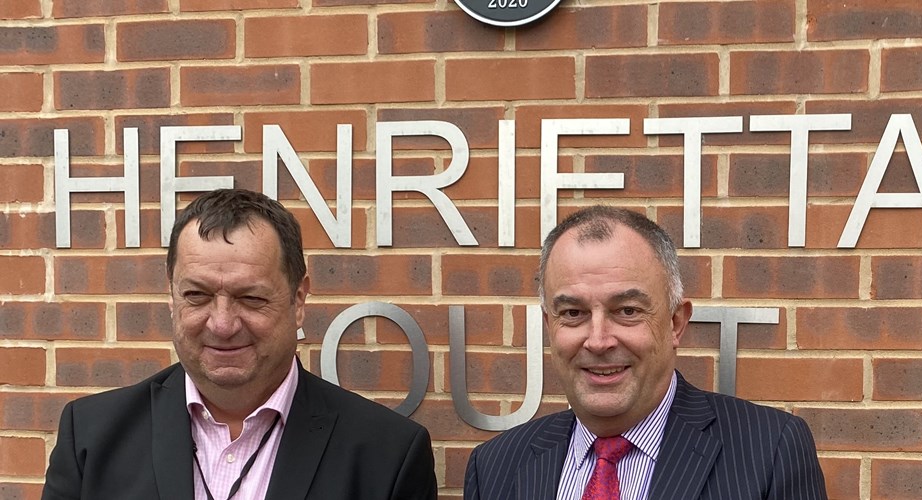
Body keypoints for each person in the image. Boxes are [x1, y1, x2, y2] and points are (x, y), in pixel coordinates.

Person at [43, 189, 437, 500]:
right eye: (196, 295)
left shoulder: (387, 455)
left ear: (299, 300)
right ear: (171, 298)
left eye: (251, 298)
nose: (223, 324)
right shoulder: (91, 437)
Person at [464, 206, 826, 499]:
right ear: (550, 325)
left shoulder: (770, 451)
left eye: (627, 311)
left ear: (675, 323)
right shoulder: (496, 467)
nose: (598, 340)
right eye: (573, 313)